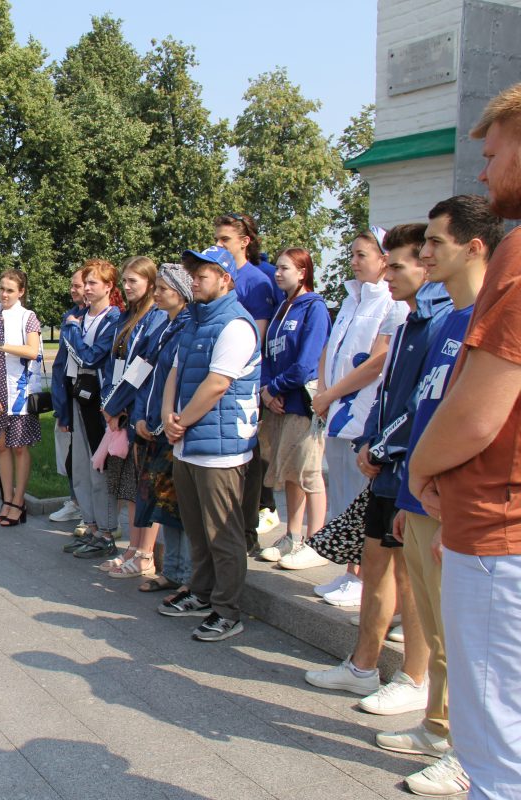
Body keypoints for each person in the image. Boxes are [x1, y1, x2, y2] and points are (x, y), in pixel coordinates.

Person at [410, 90, 521, 798]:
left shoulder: (518, 251)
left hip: (497, 531)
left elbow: (479, 413)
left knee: (496, 759)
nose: (484, 174)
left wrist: (422, 468)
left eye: (493, 154)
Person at [304, 224, 451, 723]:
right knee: (377, 563)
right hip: (389, 464)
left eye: (398, 266)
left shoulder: (441, 322)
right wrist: (374, 441)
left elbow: (424, 403)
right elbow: (392, 397)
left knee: (409, 576)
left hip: (412, 469)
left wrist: (380, 446)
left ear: (424, 267)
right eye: (385, 265)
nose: (387, 276)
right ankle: (363, 664)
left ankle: (414, 677)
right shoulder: (410, 321)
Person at [385, 196, 501, 798]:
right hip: (421, 496)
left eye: (434, 243)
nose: (423, 252)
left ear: (474, 247)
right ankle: (437, 727)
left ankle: (467, 754)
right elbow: (427, 408)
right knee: (432, 626)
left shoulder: (492, 313)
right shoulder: (451, 319)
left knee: (466, 641)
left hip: (459, 505)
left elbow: (478, 424)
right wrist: (410, 494)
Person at [282, 227, 408, 601]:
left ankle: (367, 580)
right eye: (352, 254)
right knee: (341, 494)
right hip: (336, 411)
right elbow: (329, 350)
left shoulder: (391, 302)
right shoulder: (352, 299)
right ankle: (350, 571)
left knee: (360, 500)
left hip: (362, 413)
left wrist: (330, 394)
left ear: (384, 260)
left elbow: (376, 363)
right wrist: (323, 392)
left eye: (361, 255)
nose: (353, 262)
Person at [159, 245, 260, 642]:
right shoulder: (196, 322)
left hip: (221, 448)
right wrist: (169, 415)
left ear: (226, 279)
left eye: (203, 275)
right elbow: (176, 372)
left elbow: (217, 385)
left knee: (223, 534)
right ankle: (201, 594)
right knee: (197, 528)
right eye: (193, 274)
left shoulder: (235, 324)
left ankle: (227, 610)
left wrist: (180, 422)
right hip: (188, 440)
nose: (194, 281)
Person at [256, 248, 330, 563]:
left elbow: (307, 364)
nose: (277, 273)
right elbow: (268, 355)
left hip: (302, 403)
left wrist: (275, 387)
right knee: (289, 472)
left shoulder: (314, 308)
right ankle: (293, 536)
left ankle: (316, 542)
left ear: (303, 272)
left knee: (308, 473)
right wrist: (266, 391)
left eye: (285, 268)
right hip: (279, 403)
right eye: (277, 268)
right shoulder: (283, 307)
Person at [214, 213, 281, 550]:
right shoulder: (218, 275)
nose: (218, 244)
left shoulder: (256, 280)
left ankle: (247, 531)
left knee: (247, 459)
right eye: (217, 238)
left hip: (243, 383)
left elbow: (256, 335)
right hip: (215, 378)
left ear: (245, 241)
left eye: (225, 239)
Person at [128, 264, 193, 594]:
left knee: (175, 504)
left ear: (181, 294)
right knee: (163, 502)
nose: (156, 293)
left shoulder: (186, 328)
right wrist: (138, 416)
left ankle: (184, 574)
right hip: (152, 425)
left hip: (173, 427)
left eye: (164, 289)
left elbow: (179, 381)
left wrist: (166, 419)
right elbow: (143, 376)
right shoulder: (161, 328)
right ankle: (173, 571)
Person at [100, 256, 167, 576]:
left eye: (133, 281)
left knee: (143, 486)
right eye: (124, 280)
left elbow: (142, 367)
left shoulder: (154, 318)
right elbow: (115, 364)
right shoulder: (128, 316)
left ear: (151, 284)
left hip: (138, 409)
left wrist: (115, 406)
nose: (126, 287)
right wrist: (111, 404)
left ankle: (145, 553)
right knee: (130, 487)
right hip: (121, 407)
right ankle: (132, 546)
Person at [60, 260, 123, 557]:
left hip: (97, 397)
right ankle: (92, 526)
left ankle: (108, 531)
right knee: (81, 466)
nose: (85, 288)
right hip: (76, 393)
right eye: (84, 283)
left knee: (99, 466)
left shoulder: (113, 319)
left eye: (92, 283)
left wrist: (71, 332)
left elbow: (90, 357)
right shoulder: (79, 317)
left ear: (109, 287)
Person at [0, 268, 43, 527]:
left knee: (19, 446)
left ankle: (18, 500)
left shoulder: (28, 317)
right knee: (1, 446)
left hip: (18, 391)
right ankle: (6, 498)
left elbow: (32, 351)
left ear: (21, 292)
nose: (4, 294)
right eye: (2, 288)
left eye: (10, 290)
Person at [52, 270, 86, 527]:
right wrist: (60, 405)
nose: (73, 290)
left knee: (85, 457)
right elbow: (62, 363)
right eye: (71, 285)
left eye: (78, 286)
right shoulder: (70, 316)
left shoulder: (103, 317)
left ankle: (90, 510)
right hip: (67, 394)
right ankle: (75, 502)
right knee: (68, 455)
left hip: (88, 397)